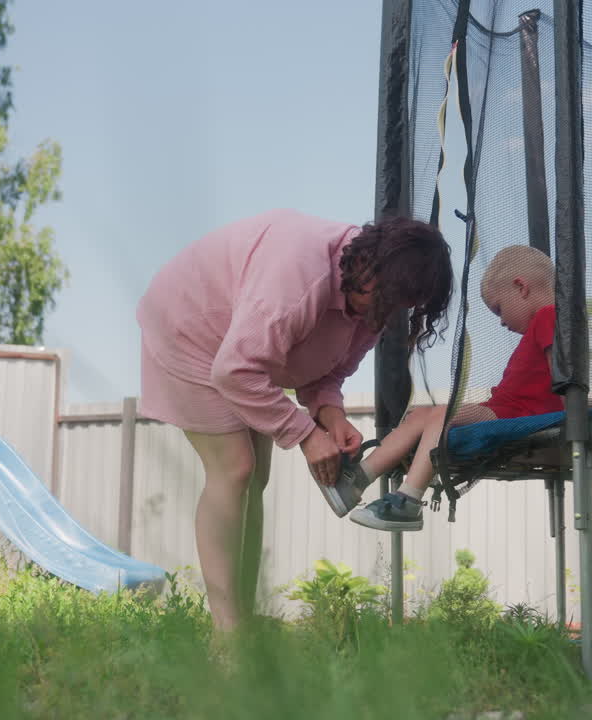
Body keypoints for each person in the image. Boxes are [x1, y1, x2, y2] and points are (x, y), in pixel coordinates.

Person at [136, 208, 453, 629]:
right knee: (234, 468)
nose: (387, 313)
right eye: (387, 298)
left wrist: (331, 417)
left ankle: (243, 615)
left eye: (402, 305)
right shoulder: (299, 278)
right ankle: (227, 636)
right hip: (186, 328)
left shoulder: (375, 304)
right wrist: (305, 435)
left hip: (239, 351)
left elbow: (329, 374)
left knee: (257, 477)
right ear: (368, 261)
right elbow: (234, 370)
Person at [341, 244, 561, 532]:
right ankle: (356, 481)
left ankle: (407, 501)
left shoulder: (550, 316)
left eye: (499, 309)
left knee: (440, 416)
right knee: (423, 413)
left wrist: (572, 412)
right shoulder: (544, 321)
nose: (502, 321)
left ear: (521, 288)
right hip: (508, 409)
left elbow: (562, 371)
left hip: (524, 415)